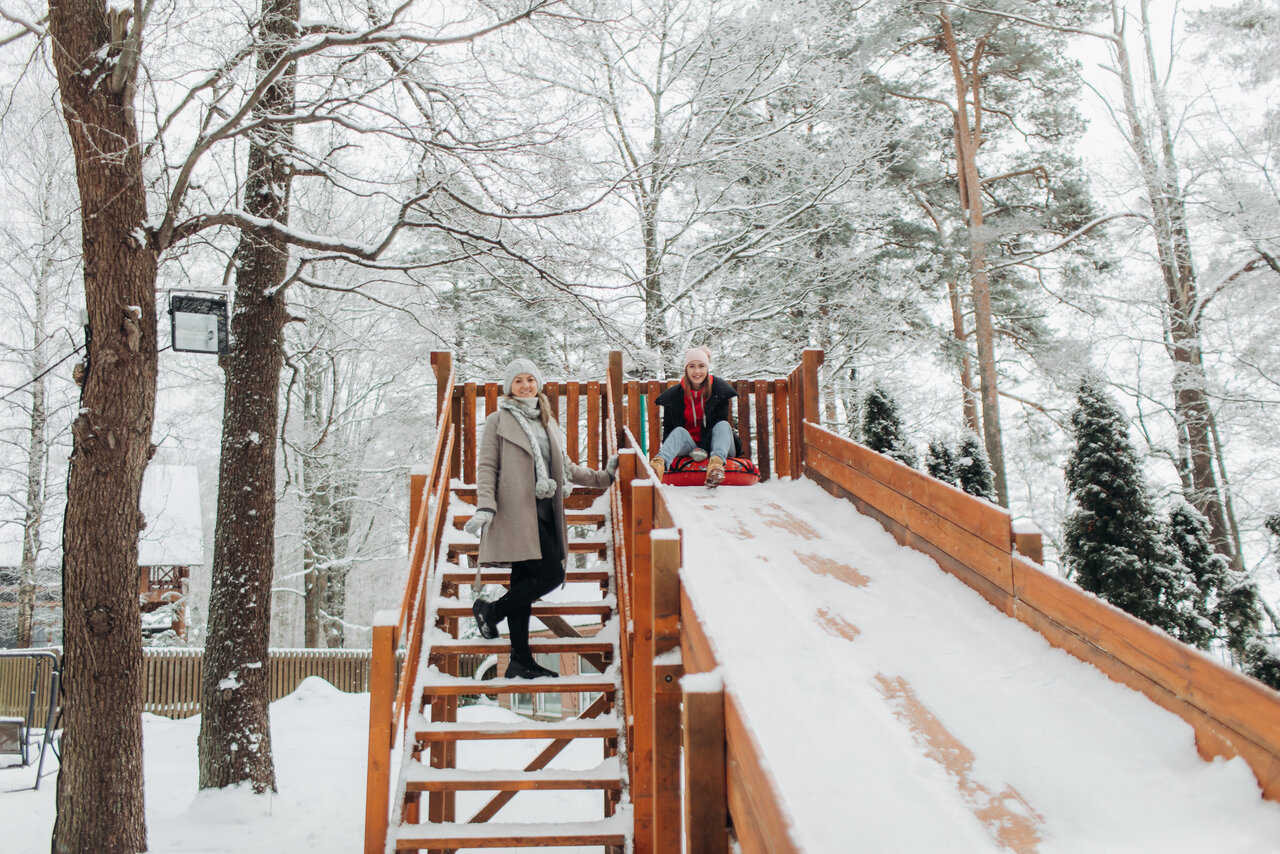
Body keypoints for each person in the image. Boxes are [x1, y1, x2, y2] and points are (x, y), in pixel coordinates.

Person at [465, 358, 619, 679]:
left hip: (546, 512)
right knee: (551, 575)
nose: (526, 386)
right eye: (518, 381)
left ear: (538, 384)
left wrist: (603, 477)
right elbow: (487, 467)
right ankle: (491, 613)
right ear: (509, 387)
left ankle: (519, 658)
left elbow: (567, 467)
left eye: (530, 380)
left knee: (525, 582)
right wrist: (485, 506)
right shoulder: (497, 421)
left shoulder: (548, 422)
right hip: (515, 513)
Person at [650, 346, 740, 488]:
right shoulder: (673, 397)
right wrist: (693, 451)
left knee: (723, 425)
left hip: (718, 444)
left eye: (701, 366)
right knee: (679, 431)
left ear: (707, 368)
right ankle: (658, 466)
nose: (697, 371)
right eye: (692, 366)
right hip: (689, 446)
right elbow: (669, 430)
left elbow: (717, 422)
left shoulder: (719, 390)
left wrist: (703, 449)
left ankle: (716, 466)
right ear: (686, 369)